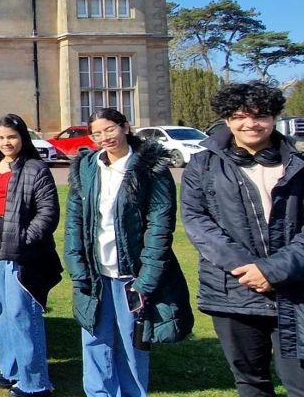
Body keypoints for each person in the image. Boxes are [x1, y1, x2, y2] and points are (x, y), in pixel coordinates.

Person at [182, 82, 304, 397]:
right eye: (239, 116)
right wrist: (249, 270)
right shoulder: (201, 165)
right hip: (233, 292)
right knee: (251, 383)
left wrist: (273, 271)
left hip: (300, 290)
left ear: (275, 117)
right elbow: (198, 222)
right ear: (226, 119)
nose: (250, 124)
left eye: (261, 115)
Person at [65, 108, 193, 397]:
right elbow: (74, 220)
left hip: (130, 276)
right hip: (96, 274)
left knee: (132, 346)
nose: (104, 138)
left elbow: (159, 227)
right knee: (95, 341)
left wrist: (146, 280)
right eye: (97, 133)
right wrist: (76, 265)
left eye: (109, 129)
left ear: (125, 127)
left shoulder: (149, 168)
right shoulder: (87, 166)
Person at [0, 113, 61, 394]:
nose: (7, 142)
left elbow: (48, 213)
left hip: (23, 252)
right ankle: (10, 369)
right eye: (1, 137)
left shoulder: (35, 168)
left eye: (12, 136)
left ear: (22, 138)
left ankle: (35, 382)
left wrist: (25, 239)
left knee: (23, 314)